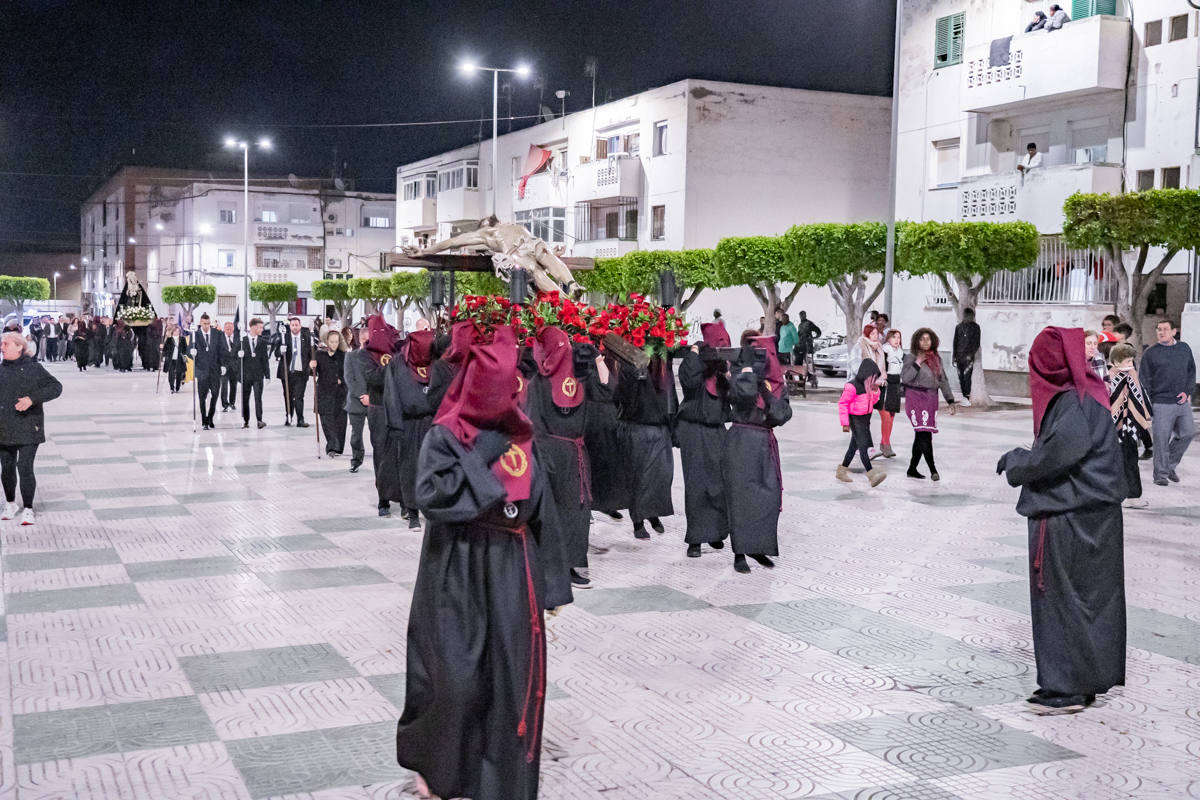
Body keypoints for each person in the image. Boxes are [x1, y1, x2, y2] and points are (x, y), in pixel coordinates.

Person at [396, 323, 572, 800]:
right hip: (459, 566)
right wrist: (485, 457)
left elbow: (541, 510)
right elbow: (431, 495)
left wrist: (553, 586)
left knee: (508, 679)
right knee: (456, 680)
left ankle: (498, 781)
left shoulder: (524, 436)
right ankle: (437, 768)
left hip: (515, 570)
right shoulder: (445, 435)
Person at [996, 327, 1126, 714]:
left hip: (1069, 519)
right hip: (1095, 518)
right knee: (1091, 601)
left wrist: (1017, 461)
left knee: (1061, 602)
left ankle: (1066, 687)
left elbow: (1058, 455)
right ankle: (1084, 681)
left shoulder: (1072, 401)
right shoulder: (1090, 394)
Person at [526, 326, 593, 587]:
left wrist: (597, 359)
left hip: (576, 454)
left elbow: (605, 394)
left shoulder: (580, 380)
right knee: (550, 514)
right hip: (550, 457)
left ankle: (571, 564)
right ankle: (550, 567)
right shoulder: (537, 384)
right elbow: (533, 425)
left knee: (577, 513)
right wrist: (543, 460)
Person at [724, 334, 792, 574]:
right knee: (741, 497)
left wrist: (766, 390)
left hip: (765, 441)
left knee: (768, 496)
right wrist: (752, 375)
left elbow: (782, 415)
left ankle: (758, 546)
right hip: (742, 440)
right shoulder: (740, 374)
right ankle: (739, 552)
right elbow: (740, 397)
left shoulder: (777, 385)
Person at [677, 322, 731, 559]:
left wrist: (727, 371)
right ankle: (696, 539)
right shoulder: (694, 363)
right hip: (693, 431)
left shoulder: (723, 370)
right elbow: (688, 382)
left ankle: (717, 532)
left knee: (719, 484)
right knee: (697, 486)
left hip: (717, 430)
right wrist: (696, 354)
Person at [0, 332, 62, 526]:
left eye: (6, 344)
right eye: (1, 344)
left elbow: (56, 387)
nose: (2, 347)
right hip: (4, 426)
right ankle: (10, 504)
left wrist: (31, 399)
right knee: (7, 467)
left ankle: (28, 508)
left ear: (19, 347)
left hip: (29, 425)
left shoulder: (34, 368)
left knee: (24, 467)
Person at [614, 348, 675, 539]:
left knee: (660, 477)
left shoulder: (663, 366)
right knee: (638, 477)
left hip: (659, 427)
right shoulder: (628, 366)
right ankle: (638, 521)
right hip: (636, 426)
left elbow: (669, 395)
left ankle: (653, 513)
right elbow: (622, 397)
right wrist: (636, 370)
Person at [388, 329, 436, 528]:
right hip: (408, 424)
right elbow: (391, 396)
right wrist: (395, 425)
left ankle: (433, 509)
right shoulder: (398, 364)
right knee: (410, 468)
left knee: (434, 467)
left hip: (433, 423)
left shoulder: (437, 364)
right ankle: (412, 511)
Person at [1139, 319, 1196, 486]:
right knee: (1161, 440)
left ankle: (1169, 465)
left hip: (1182, 402)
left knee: (1187, 433)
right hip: (1160, 402)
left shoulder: (1184, 348)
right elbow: (1144, 380)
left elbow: (1191, 371)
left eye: (1165, 329)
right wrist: (1146, 404)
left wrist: (1187, 391)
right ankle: (1161, 475)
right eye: (1159, 329)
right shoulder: (1151, 353)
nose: (1161, 332)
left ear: (1174, 331)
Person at [902, 328, 957, 480]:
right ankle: (933, 470)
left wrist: (950, 400)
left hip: (931, 400)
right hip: (916, 398)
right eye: (922, 339)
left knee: (921, 435)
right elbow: (905, 379)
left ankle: (912, 469)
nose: (926, 342)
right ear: (916, 341)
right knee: (924, 434)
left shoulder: (936, 359)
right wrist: (918, 363)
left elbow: (943, 380)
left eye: (928, 339)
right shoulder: (911, 357)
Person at [364, 315, 403, 516]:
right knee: (380, 454)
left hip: (397, 408)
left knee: (399, 454)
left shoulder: (397, 350)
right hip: (378, 409)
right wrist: (391, 368)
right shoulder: (365, 354)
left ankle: (402, 497)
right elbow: (372, 377)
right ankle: (383, 499)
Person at [1107, 342, 1152, 509]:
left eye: (1131, 361)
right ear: (1117, 361)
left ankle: (1129, 495)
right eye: (1127, 361)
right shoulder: (1113, 376)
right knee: (1126, 461)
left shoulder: (1125, 375)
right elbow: (1116, 401)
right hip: (1119, 427)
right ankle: (1130, 495)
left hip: (1128, 427)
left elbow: (1140, 396)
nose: (1130, 364)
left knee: (1129, 459)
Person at [837, 358, 886, 486]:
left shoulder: (868, 387)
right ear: (866, 373)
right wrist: (845, 423)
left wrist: (875, 391)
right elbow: (843, 403)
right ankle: (871, 475)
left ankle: (841, 471)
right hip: (855, 419)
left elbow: (873, 402)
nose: (874, 380)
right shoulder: (852, 386)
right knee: (863, 446)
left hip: (865, 419)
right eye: (873, 377)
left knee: (854, 447)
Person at [314, 329, 348, 457]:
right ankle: (331, 446)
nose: (334, 344)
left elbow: (348, 375)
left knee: (340, 422)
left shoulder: (343, 356)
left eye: (336, 341)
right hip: (324, 393)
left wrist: (341, 381)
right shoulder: (319, 355)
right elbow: (312, 373)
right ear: (327, 341)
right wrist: (312, 366)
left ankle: (339, 448)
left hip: (340, 394)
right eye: (332, 341)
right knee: (327, 421)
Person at [342, 326, 371, 472]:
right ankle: (356, 459)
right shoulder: (351, 357)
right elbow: (349, 379)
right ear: (359, 339)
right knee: (356, 436)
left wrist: (370, 396)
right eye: (364, 340)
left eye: (369, 340)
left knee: (378, 435)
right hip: (356, 402)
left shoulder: (378, 357)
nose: (366, 343)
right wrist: (362, 395)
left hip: (374, 402)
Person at [276, 316, 312, 427]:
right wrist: (280, 351)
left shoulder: (306, 337)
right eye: (293, 325)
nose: (295, 327)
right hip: (287, 373)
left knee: (299, 396)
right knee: (288, 396)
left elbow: (310, 353)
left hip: (301, 372)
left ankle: (300, 419)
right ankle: (289, 416)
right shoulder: (284, 337)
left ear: (300, 326)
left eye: (297, 325)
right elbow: (276, 353)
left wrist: (310, 366)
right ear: (290, 326)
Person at [191, 314, 221, 430]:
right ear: (200, 323)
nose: (206, 326)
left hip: (215, 371)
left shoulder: (217, 334)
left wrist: (222, 365)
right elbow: (189, 350)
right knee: (202, 397)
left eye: (208, 323)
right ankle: (204, 420)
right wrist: (192, 352)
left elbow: (221, 350)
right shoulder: (195, 335)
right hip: (202, 370)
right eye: (204, 323)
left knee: (215, 394)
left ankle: (210, 417)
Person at [239, 318, 270, 428]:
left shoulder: (262, 342)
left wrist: (267, 375)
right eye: (260, 327)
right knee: (245, 399)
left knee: (258, 398)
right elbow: (234, 358)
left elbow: (265, 360)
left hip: (258, 375)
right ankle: (246, 421)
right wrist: (239, 355)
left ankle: (259, 420)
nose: (262, 330)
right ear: (253, 327)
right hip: (246, 375)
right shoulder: (242, 341)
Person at [880, 328, 904, 458]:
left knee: (892, 417)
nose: (897, 340)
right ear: (888, 338)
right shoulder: (884, 351)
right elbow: (879, 369)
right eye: (894, 337)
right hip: (886, 385)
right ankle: (886, 444)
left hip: (896, 385)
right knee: (886, 416)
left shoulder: (901, 353)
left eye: (899, 337)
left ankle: (884, 443)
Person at [952, 309, 981, 406]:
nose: (969, 318)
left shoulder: (976, 327)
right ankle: (964, 397)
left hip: (968, 358)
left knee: (967, 377)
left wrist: (971, 354)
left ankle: (967, 397)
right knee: (961, 378)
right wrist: (953, 357)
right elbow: (955, 342)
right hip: (959, 357)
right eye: (967, 316)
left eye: (971, 316)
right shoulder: (958, 327)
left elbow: (977, 343)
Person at [218, 321, 239, 412]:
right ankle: (225, 404)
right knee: (224, 386)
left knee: (234, 386)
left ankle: (232, 403)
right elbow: (217, 352)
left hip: (234, 366)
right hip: (224, 366)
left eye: (231, 329)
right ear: (224, 329)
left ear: (233, 329)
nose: (229, 331)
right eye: (227, 329)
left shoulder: (238, 338)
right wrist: (220, 364)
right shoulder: (220, 338)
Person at [161, 323, 189, 393]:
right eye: (176, 331)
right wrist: (165, 353)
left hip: (179, 359)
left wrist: (185, 354)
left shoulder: (182, 339)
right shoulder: (169, 339)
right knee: (171, 374)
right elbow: (165, 349)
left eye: (178, 331)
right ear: (173, 331)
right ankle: (171, 387)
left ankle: (177, 387)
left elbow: (186, 348)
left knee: (179, 374)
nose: (177, 332)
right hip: (171, 359)